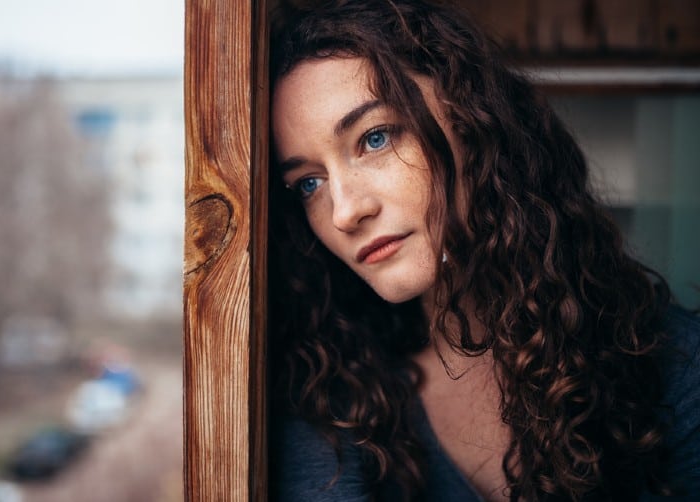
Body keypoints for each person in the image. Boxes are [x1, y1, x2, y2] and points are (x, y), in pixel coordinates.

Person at [266, 0, 700, 501]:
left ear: (472, 122)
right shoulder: (333, 396)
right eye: (309, 183)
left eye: (376, 138)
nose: (344, 212)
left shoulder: (671, 365)